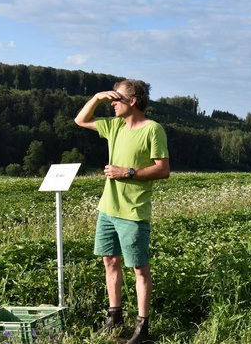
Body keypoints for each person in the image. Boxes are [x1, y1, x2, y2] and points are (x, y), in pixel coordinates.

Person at [74, 79, 170, 343]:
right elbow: (80, 120)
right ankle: (114, 319)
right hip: (108, 209)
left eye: (117, 99)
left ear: (134, 101)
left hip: (133, 212)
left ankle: (142, 327)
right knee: (110, 262)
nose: (112, 104)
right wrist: (96, 97)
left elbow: (163, 169)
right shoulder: (114, 125)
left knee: (139, 269)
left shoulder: (153, 130)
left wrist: (127, 172)